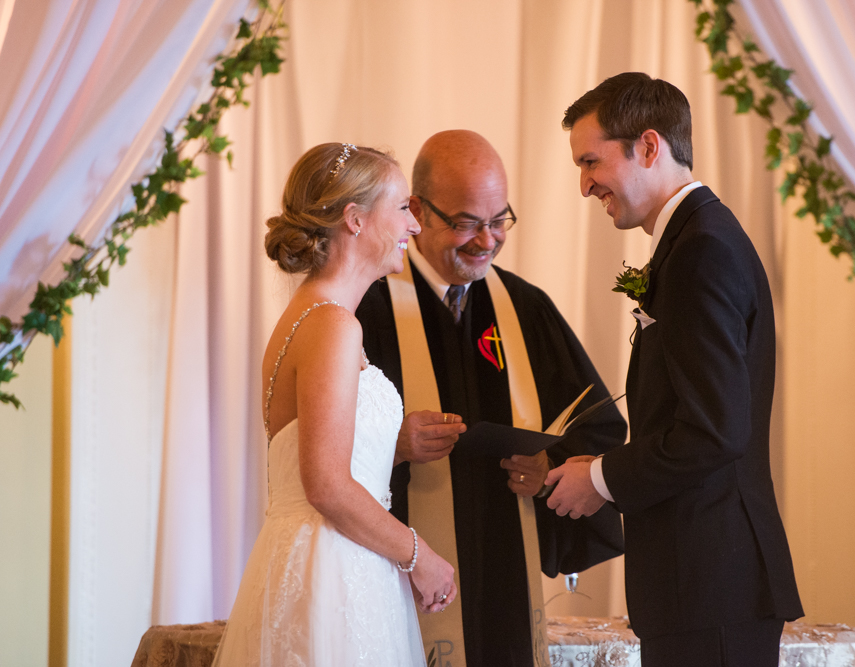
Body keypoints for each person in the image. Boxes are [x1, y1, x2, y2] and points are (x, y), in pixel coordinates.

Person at [546, 73, 803, 666]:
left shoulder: (702, 251)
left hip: (711, 581)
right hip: (703, 582)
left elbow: (714, 430)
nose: (584, 185)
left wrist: (603, 479)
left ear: (649, 146)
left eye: (591, 161)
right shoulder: (695, 239)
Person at [356, 130, 626, 667]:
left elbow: (597, 428)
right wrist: (392, 443)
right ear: (417, 211)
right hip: (397, 579)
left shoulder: (526, 309)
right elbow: (309, 445)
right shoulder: (367, 307)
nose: (486, 240)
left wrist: (549, 467)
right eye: (465, 223)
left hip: (506, 576)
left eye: (499, 220)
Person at [212, 143, 458, 666]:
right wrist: (420, 555)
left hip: (331, 561)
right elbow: (325, 484)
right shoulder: (331, 325)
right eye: (402, 209)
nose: (414, 226)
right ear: (354, 219)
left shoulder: (314, 316)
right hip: (333, 573)